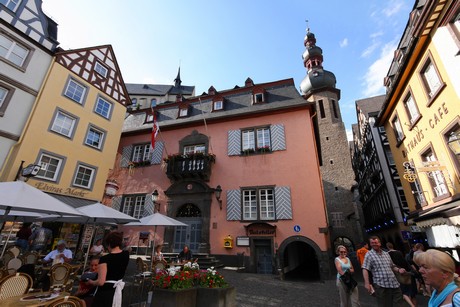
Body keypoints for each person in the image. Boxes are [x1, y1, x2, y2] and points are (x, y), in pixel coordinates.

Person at [89, 231, 130, 307]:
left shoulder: (105, 259)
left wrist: (92, 282)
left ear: (109, 244)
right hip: (118, 289)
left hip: (106, 291)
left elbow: (101, 282)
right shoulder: (126, 254)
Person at [362, 236, 405, 306]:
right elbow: (365, 268)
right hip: (381, 285)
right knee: (384, 305)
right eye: (372, 243)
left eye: (375, 242)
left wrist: (399, 269)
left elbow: (392, 266)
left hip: (393, 283)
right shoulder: (369, 254)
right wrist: (367, 283)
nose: (374, 244)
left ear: (379, 243)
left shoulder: (386, 254)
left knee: (399, 303)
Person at [386, 242, 417, 307]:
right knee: (412, 292)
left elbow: (391, 265)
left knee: (404, 291)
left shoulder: (388, 254)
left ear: (387, 247)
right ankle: (414, 305)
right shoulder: (399, 252)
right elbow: (405, 261)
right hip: (407, 272)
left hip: (398, 274)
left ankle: (412, 305)